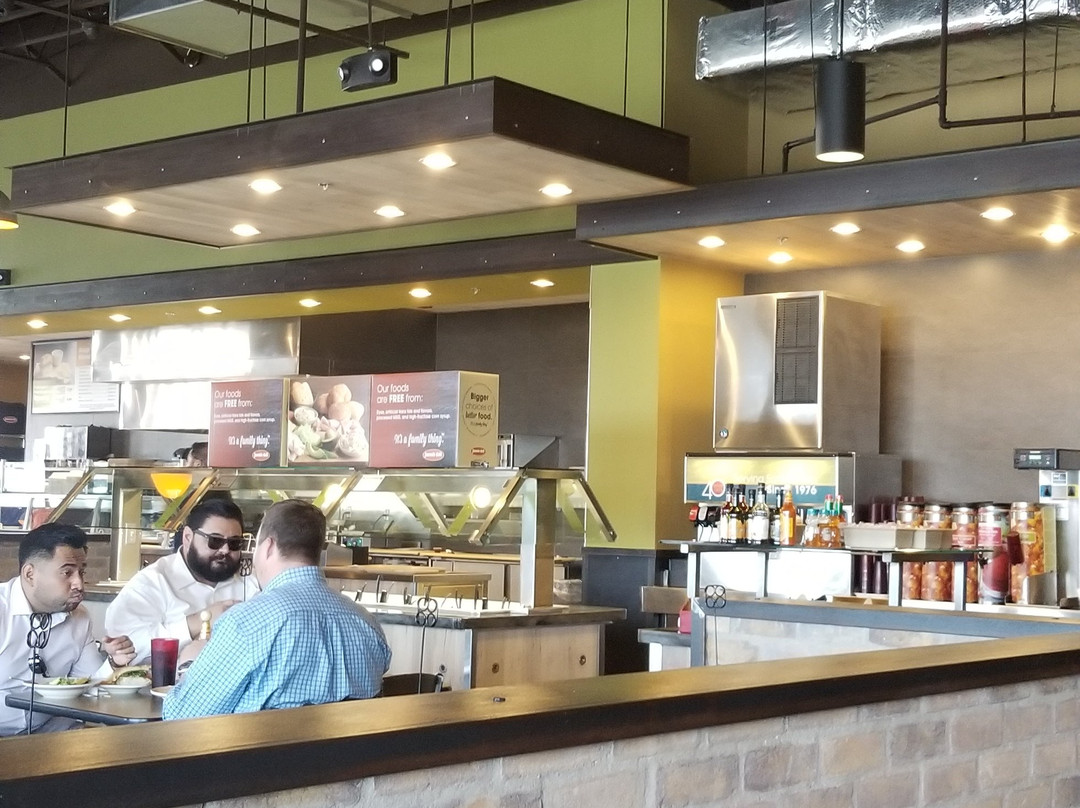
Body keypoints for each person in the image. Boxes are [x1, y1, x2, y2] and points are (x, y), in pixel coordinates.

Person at [163, 499, 390, 719]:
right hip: (355, 745)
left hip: (262, 746)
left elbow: (182, 715)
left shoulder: (245, 623)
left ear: (268, 547)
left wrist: (189, 665)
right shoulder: (367, 623)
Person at [0, 524, 136, 735]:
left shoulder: (79, 618)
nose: (79, 584)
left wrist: (113, 662)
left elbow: (89, 688)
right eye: (67, 573)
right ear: (30, 574)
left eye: (81, 572)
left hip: (55, 734)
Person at [105, 498, 258, 665]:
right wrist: (198, 622)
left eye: (234, 543)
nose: (225, 550)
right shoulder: (153, 582)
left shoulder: (249, 583)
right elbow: (126, 648)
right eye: (215, 541)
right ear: (187, 537)